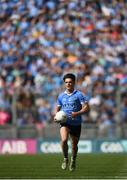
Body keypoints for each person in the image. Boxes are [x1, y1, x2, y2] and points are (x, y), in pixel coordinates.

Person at [54, 73, 89, 171]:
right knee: (64, 140)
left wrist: (77, 113)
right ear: (64, 83)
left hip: (76, 123)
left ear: (74, 82)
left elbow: (87, 108)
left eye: (70, 82)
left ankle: (73, 159)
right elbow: (57, 108)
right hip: (65, 122)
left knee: (74, 145)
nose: (68, 84)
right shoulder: (61, 96)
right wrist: (56, 116)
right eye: (66, 82)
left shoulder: (79, 95)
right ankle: (65, 159)